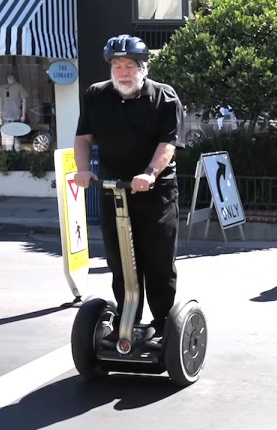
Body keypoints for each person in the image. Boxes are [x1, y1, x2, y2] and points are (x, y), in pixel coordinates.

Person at [73, 34, 185, 341]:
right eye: (118, 66)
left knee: (158, 260)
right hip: (114, 189)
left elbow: (168, 143)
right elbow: (83, 138)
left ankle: (163, 322)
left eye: (130, 66)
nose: (123, 72)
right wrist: (82, 170)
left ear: (143, 68)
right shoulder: (97, 95)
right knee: (120, 260)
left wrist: (149, 173)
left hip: (155, 191)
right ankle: (127, 320)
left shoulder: (165, 97)